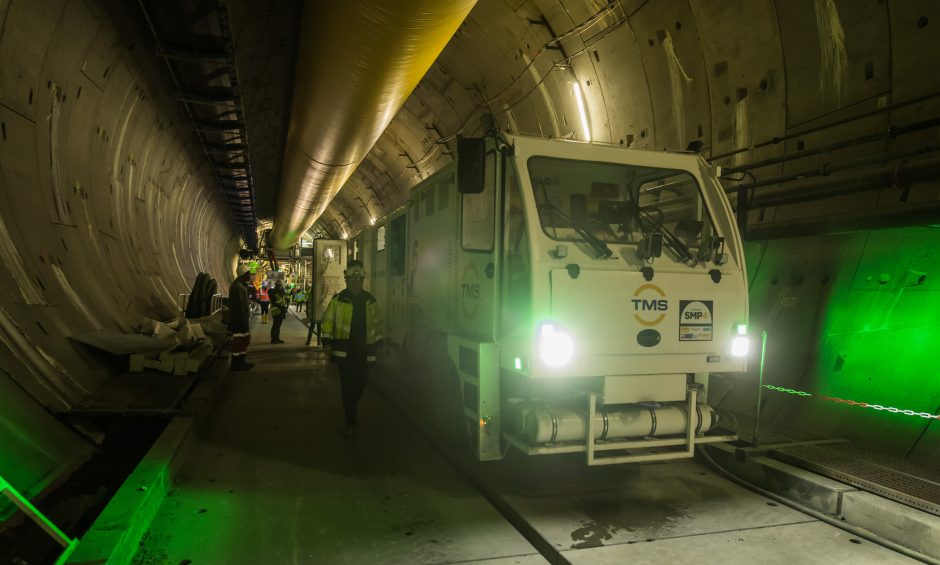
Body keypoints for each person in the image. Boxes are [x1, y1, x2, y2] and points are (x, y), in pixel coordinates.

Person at [321, 260, 382, 437]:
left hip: (364, 351)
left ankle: (351, 406)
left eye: (359, 279)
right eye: (352, 279)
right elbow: (328, 321)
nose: (356, 282)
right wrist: (327, 341)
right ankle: (351, 421)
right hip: (344, 352)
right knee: (347, 386)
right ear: (347, 280)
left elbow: (377, 323)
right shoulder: (339, 300)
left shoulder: (370, 300)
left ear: (363, 279)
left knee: (362, 382)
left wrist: (379, 341)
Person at [228, 264, 254, 371]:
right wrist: (243, 319)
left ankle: (242, 361)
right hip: (239, 320)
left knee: (244, 341)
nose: (250, 276)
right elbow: (239, 306)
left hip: (242, 319)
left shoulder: (241, 285)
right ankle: (236, 364)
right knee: (238, 341)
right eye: (248, 274)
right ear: (244, 274)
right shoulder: (238, 287)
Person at [269, 278, 287, 344]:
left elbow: (281, 301)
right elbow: (274, 302)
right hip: (276, 311)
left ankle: (277, 338)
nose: (280, 286)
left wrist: (283, 308)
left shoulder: (280, 292)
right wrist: (281, 307)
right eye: (278, 285)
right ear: (276, 285)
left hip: (280, 311)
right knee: (275, 326)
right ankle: (273, 339)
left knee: (278, 326)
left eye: (280, 285)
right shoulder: (273, 292)